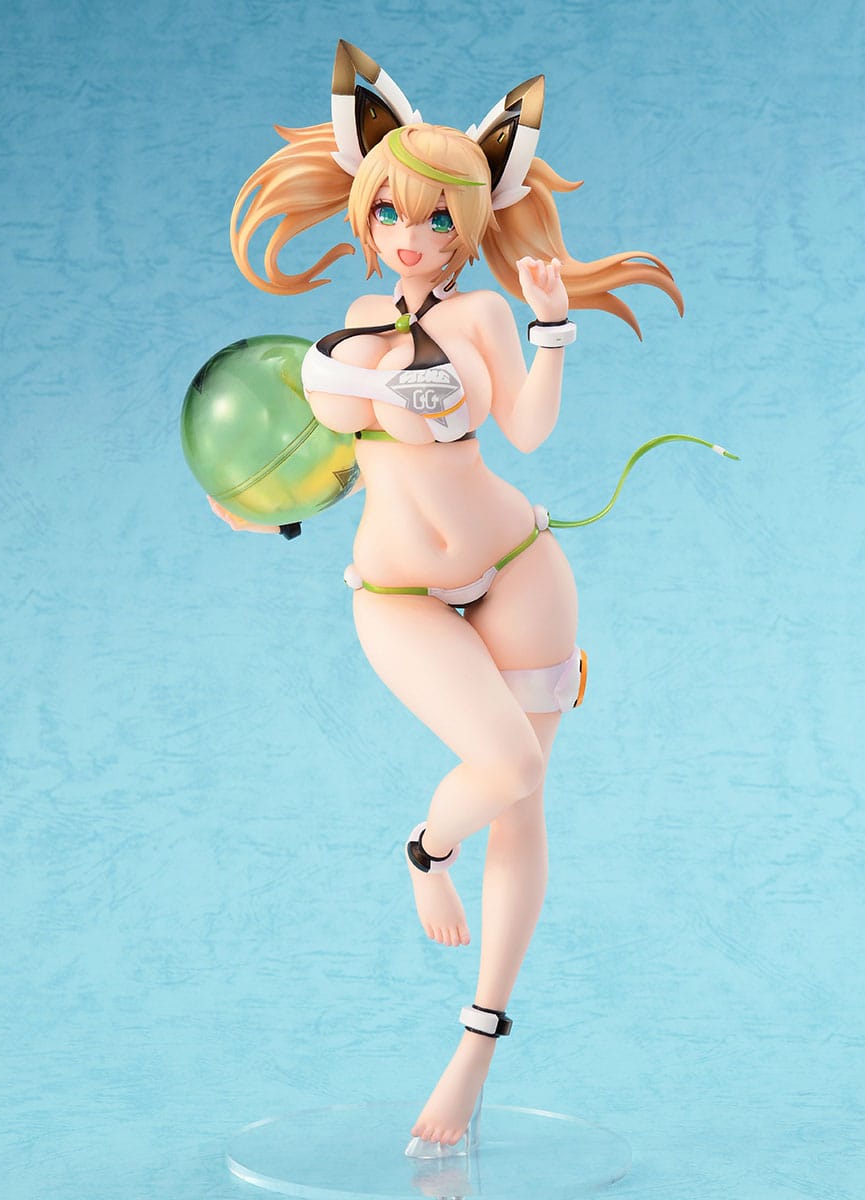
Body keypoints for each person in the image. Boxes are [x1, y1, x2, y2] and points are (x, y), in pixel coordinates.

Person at [209, 41, 683, 1150]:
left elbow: (527, 431)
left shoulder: (478, 321)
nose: (412, 236)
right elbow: (312, 458)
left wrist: (553, 328)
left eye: (437, 220)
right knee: (505, 767)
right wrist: (253, 503)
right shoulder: (344, 324)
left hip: (518, 565)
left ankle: (474, 1047)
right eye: (391, 214)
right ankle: (425, 850)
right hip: (396, 592)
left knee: (523, 803)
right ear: (365, 210)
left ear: (471, 226)